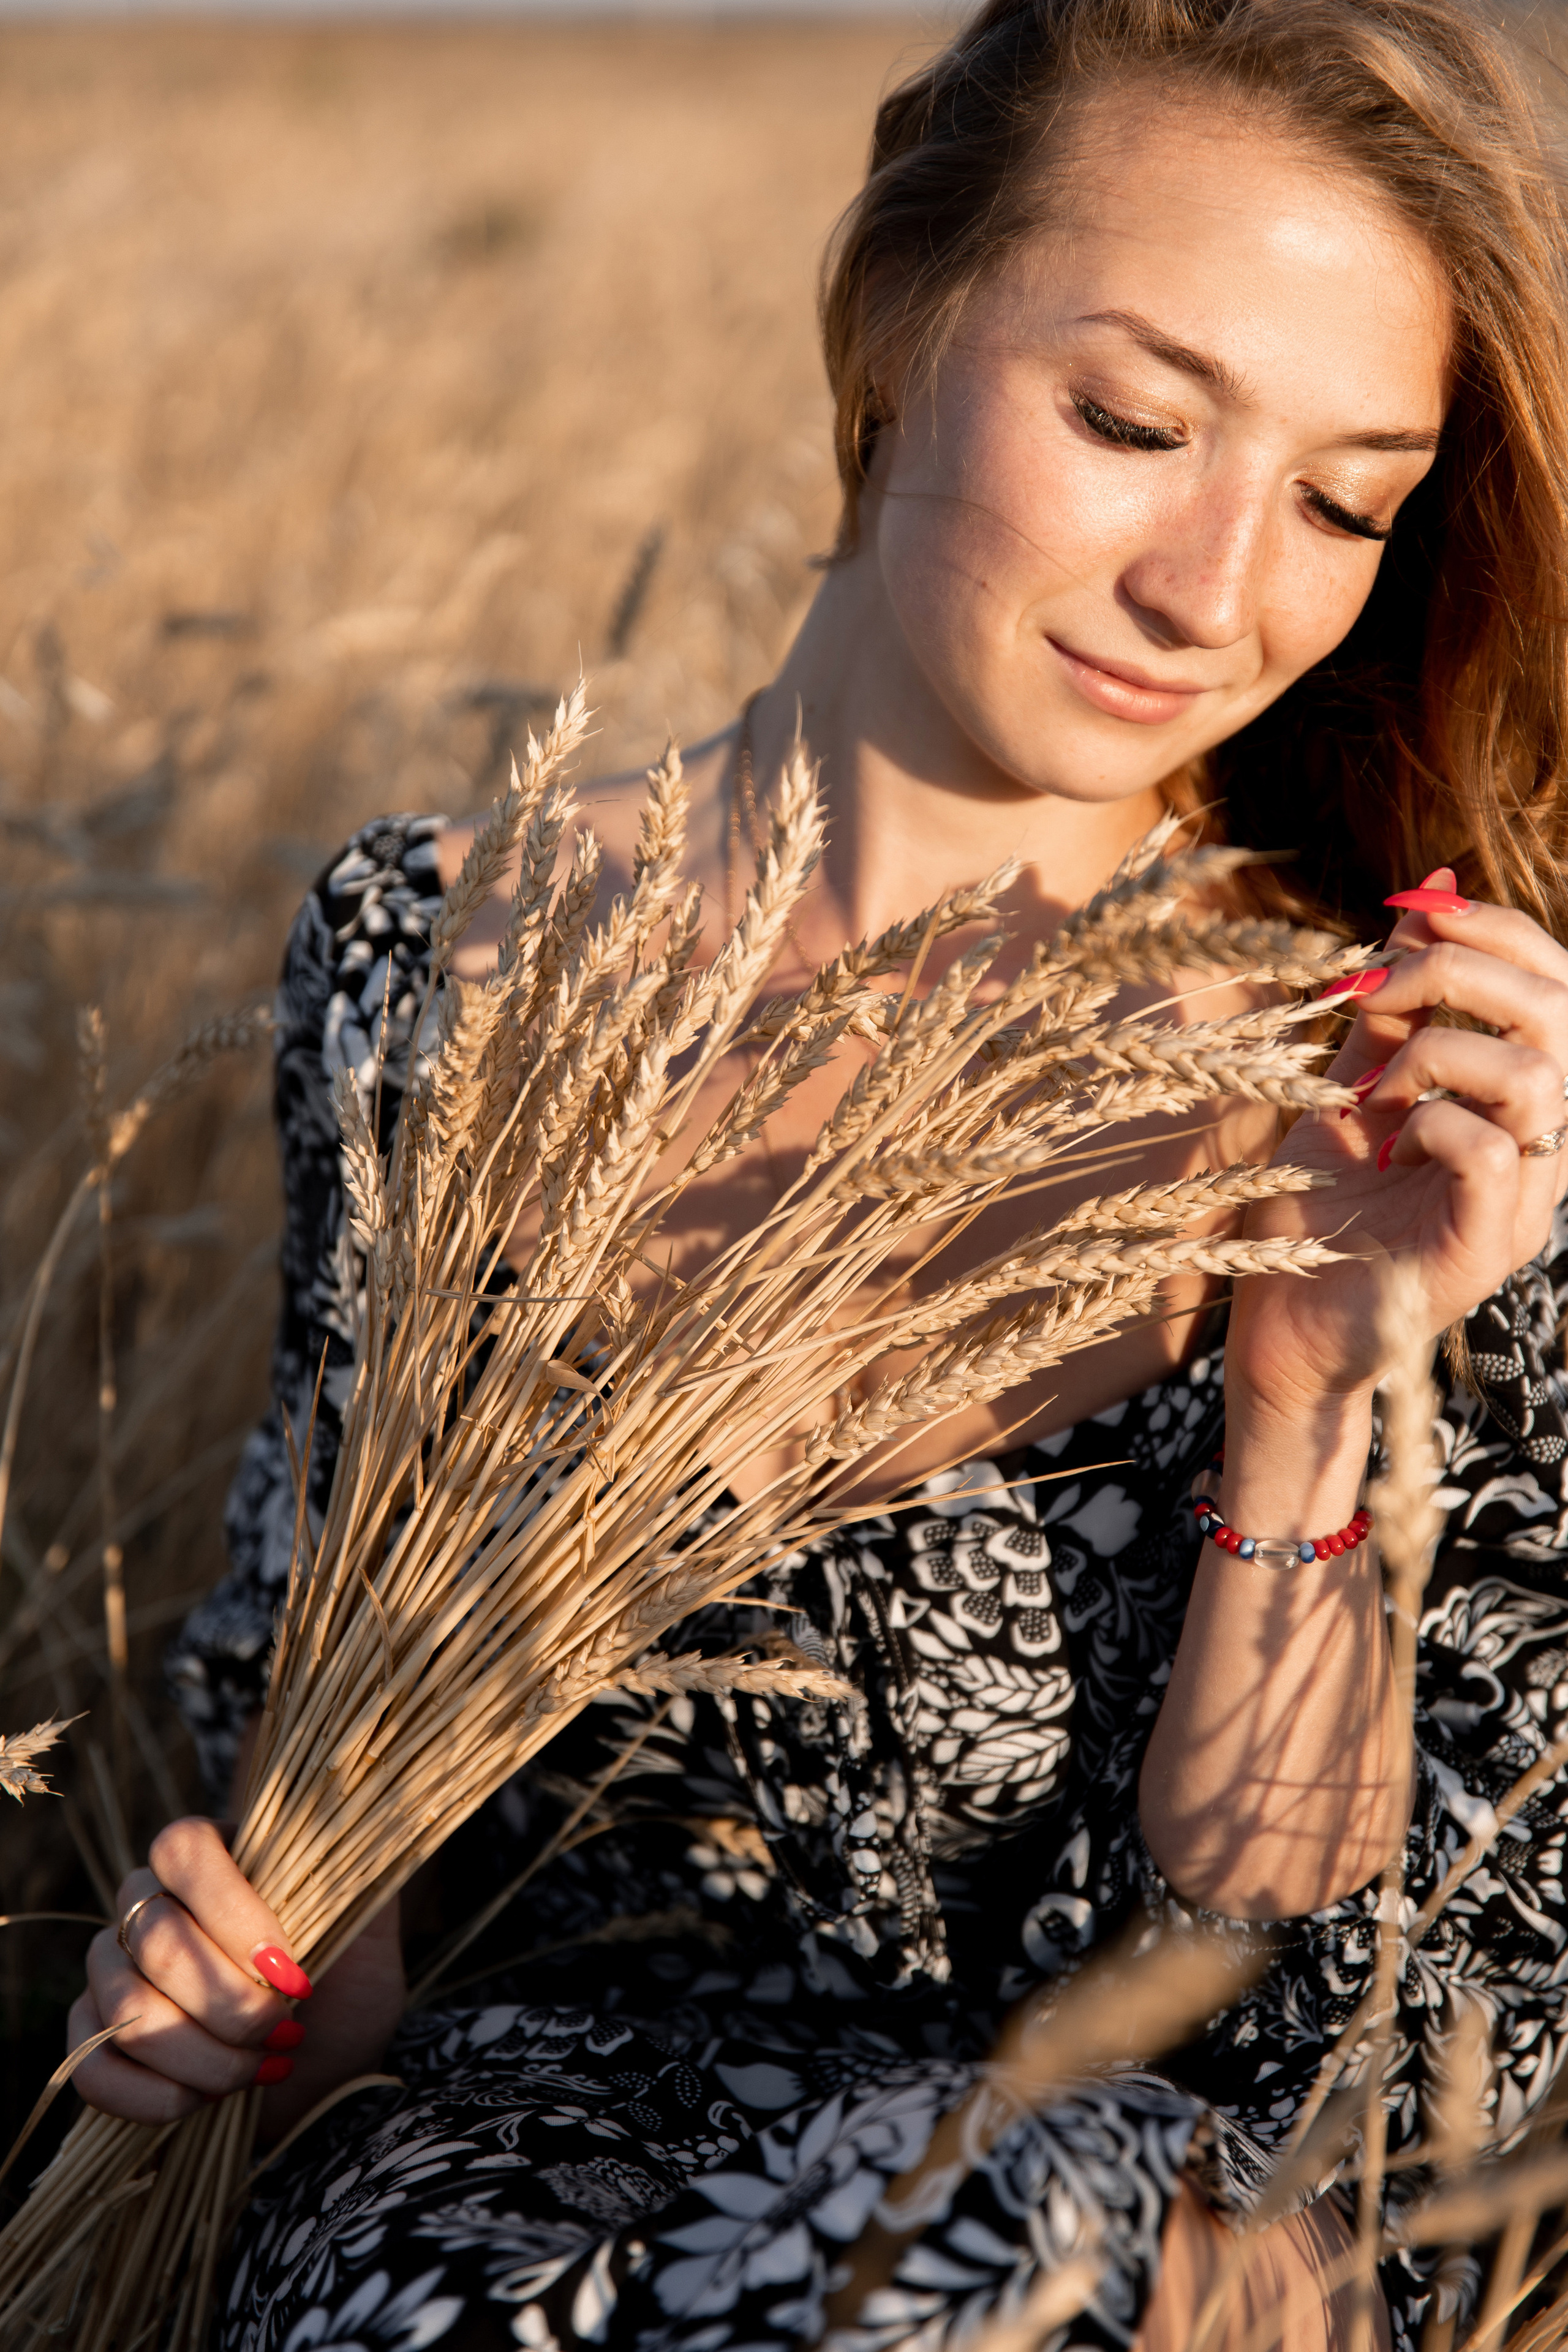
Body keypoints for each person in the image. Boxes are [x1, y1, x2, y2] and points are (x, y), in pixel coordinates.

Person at [66, 1, 1568, 2345]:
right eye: (1137, 421)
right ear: (895, 325)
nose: (1215, 586)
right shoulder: (444, 961)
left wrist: (1319, 1381)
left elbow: (1328, 2028)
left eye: (1346, 500)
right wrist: (243, 1985)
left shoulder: (1396, 1082)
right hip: (512, 2198)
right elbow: (336, 1799)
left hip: (1123, 2220)